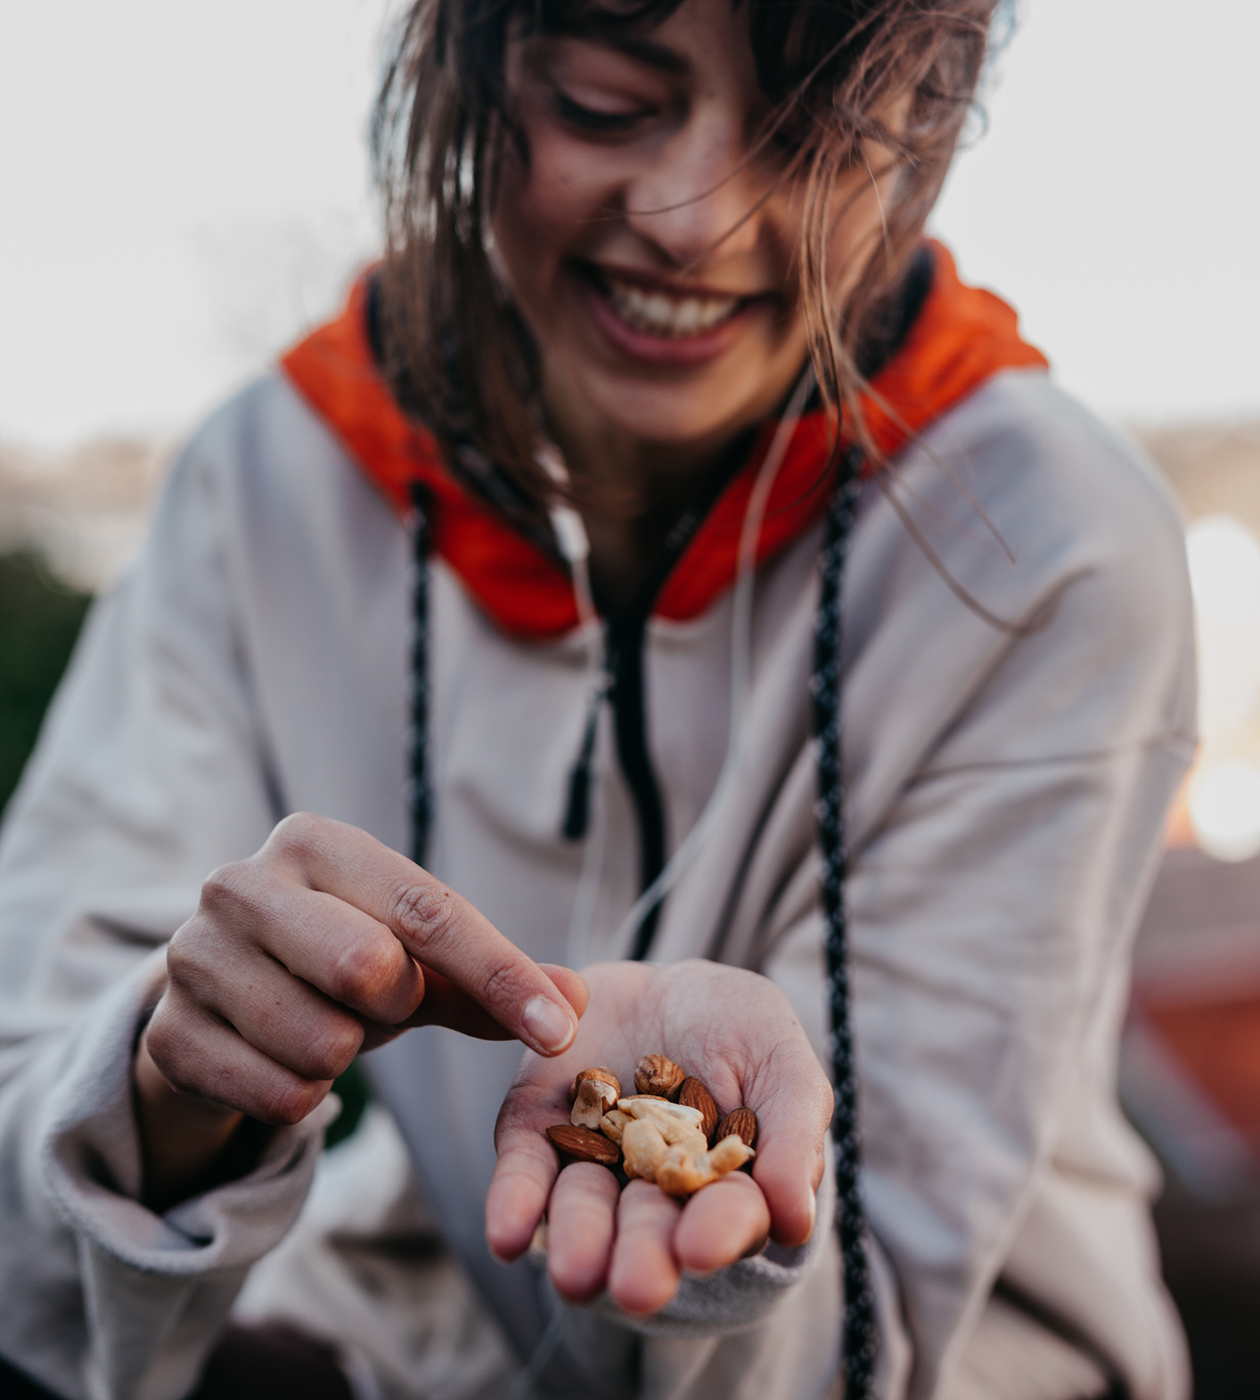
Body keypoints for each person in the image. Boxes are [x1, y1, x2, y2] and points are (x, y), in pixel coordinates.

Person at [0, 0, 1196, 1395]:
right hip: (409, 1338)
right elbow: (32, 1168)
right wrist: (172, 1089)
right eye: (605, 104)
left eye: (810, 132)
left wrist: (706, 1247)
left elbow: (859, 1318)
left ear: (927, 125)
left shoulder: (1043, 540)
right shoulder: (269, 479)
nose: (696, 218)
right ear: (461, 71)